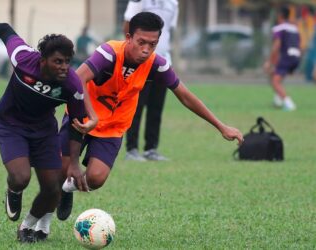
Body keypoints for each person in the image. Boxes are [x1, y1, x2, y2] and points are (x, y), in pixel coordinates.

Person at [56, 12, 243, 222]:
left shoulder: (157, 64)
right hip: (82, 119)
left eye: (152, 44)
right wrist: (91, 116)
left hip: (113, 126)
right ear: (129, 37)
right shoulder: (108, 53)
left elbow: (185, 96)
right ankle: (47, 210)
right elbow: (77, 79)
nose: (146, 49)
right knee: (61, 169)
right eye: (141, 42)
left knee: (96, 178)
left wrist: (221, 126)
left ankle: (67, 189)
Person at [0, 18, 97, 243]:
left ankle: (27, 227)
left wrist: (73, 162)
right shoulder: (23, 58)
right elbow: (4, 30)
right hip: (10, 123)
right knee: (21, 177)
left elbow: (77, 122)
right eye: (58, 61)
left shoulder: (72, 85)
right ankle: (14, 191)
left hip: (43, 131)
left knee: (52, 189)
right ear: (43, 60)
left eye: (68, 62)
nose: (64, 67)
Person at [123, 0, 179, 161]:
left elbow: (168, 30)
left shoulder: (173, 3)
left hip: (162, 61)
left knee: (156, 107)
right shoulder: (139, 1)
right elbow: (128, 25)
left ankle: (151, 149)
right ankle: (132, 149)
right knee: (136, 106)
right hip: (141, 62)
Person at [263, 6, 301, 111]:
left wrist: (269, 62)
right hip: (296, 56)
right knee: (276, 76)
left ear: (280, 15)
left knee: (275, 81)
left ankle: (289, 104)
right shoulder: (294, 28)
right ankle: (278, 101)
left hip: (287, 56)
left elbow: (276, 46)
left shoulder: (278, 28)